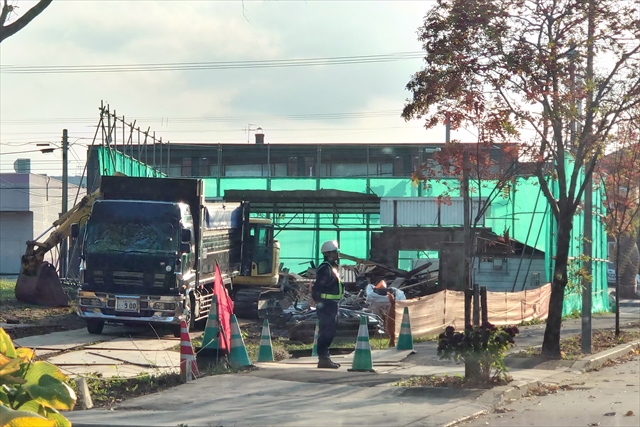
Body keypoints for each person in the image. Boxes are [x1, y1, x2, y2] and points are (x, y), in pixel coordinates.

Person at [312, 240, 343, 369]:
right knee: (326, 332)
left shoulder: (332, 267)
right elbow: (318, 287)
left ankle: (325, 358)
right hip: (326, 305)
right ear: (329, 253)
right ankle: (323, 359)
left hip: (331, 304)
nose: (337, 254)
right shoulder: (325, 268)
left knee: (329, 331)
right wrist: (320, 302)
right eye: (335, 252)